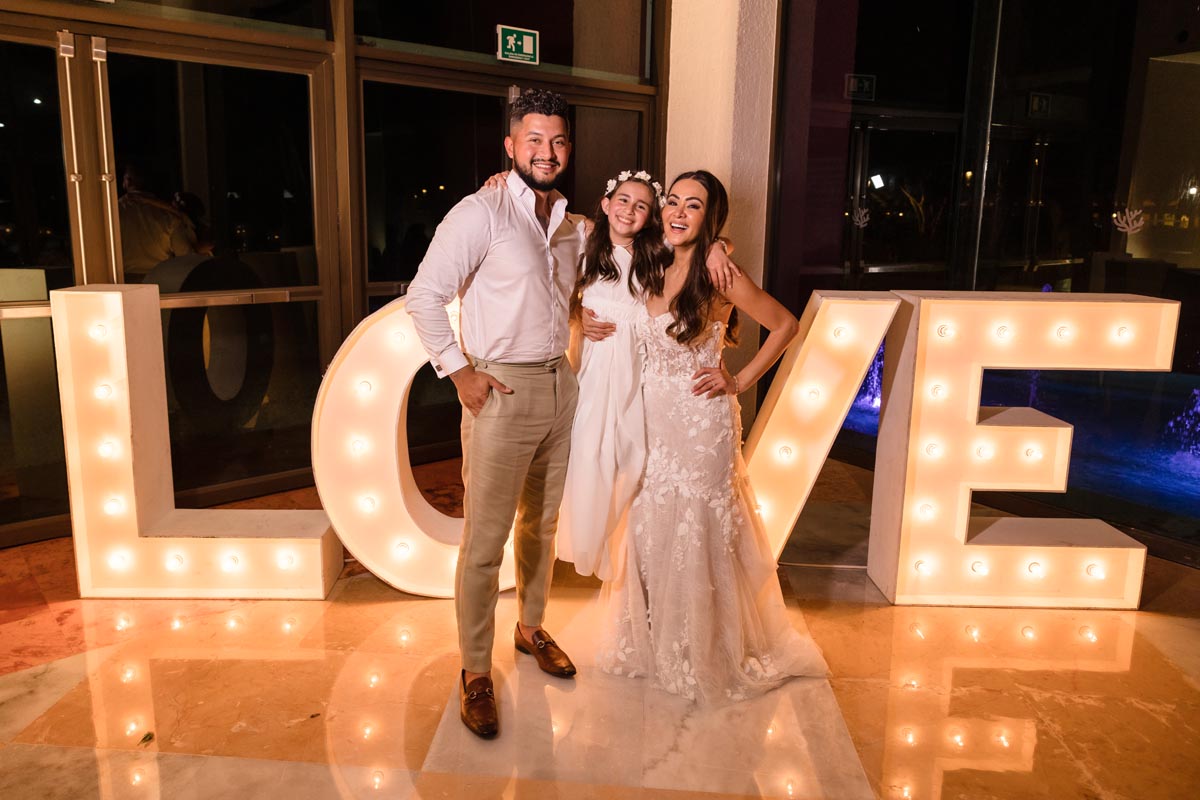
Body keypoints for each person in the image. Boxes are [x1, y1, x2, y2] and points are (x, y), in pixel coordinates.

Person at [597, 170, 828, 703]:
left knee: (698, 532)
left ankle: (704, 649)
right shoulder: (650, 258)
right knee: (652, 527)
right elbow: (595, 231)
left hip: (701, 424)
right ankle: (652, 641)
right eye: (673, 202)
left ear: (709, 218)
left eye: (693, 206)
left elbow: (785, 324)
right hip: (651, 419)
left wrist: (740, 380)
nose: (678, 212)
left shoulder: (720, 272)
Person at [406, 89, 583, 739]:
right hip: (500, 392)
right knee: (485, 543)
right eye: (533, 139)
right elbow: (423, 296)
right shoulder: (478, 213)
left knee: (542, 528)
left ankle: (531, 628)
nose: (547, 151)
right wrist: (460, 374)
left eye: (558, 140)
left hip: (559, 388)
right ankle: (474, 672)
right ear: (510, 146)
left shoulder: (568, 223)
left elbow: (613, 268)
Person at [557, 170, 671, 581]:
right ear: (605, 205)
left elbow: (713, 245)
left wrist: (719, 249)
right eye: (622, 200)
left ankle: (626, 547)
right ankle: (589, 541)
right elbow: (560, 292)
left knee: (633, 455)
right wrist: (577, 317)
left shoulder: (656, 255)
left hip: (638, 365)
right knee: (590, 450)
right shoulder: (585, 245)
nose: (630, 210)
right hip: (598, 364)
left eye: (641, 206)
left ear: (651, 216)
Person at [117, 164, 198, 281]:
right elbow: (185, 257)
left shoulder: (113, 213)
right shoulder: (169, 216)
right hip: (160, 282)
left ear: (127, 182)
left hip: (123, 282)